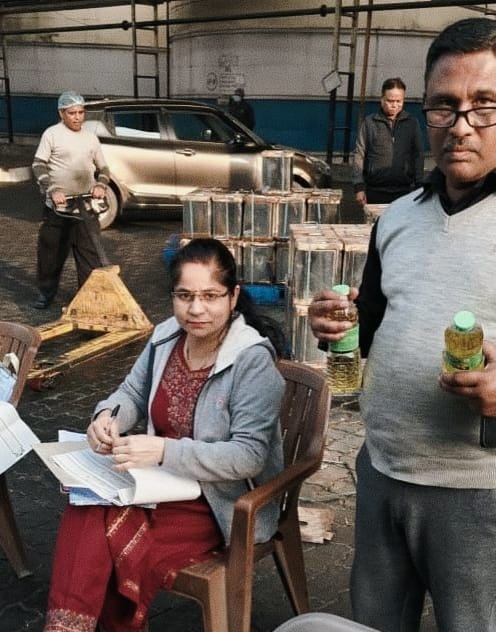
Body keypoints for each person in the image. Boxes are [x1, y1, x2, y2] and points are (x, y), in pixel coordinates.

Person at [309, 17, 496, 632]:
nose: (462, 125)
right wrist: (335, 325)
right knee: (376, 622)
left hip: (477, 491)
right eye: (445, 105)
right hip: (381, 470)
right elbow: (372, 322)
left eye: (485, 105)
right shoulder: (398, 219)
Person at [43, 237, 286, 632]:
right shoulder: (166, 337)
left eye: (210, 296)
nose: (196, 309)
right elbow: (131, 393)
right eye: (184, 296)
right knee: (87, 504)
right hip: (160, 487)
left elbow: (248, 456)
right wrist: (106, 417)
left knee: (102, 533)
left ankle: (69, 626)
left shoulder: (252, 361)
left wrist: (162, 451)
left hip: (219, 502)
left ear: (233, 296)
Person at [32, 90, 110, 309]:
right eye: (72, 113)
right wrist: (52, 189)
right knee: (50, 256)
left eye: (80, 112)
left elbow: (104, 168)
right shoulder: (52, 134)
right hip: (58, 208)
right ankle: (46, 293)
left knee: (90, 257)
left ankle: (87, 299)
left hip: (85, 207)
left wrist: (101, 185)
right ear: (61, 113)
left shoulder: (90, 138)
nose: (77, 117)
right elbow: (38, 164)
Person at [351, 77, 424, 206]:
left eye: (399, 101)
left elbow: (418, 155)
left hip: (405, 193)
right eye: (390, 101)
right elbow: (359, 154)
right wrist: (359, 187)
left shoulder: (412, 123)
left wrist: (419, 186)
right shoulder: (370, 123)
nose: (394, 105)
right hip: (374, 192)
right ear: (382, 99)